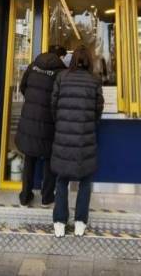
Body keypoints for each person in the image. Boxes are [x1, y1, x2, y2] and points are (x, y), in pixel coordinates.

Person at [50, 45, 104, 237]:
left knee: (61, 180)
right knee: (85, 180)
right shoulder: (94, 80)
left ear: (72, 60)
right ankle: (80, 222)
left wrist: (61, 123)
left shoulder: (61, 77)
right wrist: (89, 123)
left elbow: (53, 105)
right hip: (85, 137)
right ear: (89, 60)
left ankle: (59, 222)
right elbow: (98, 109)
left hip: (63, 137)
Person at [15, 45, 67, 206]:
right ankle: (47, 197)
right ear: (61, 56)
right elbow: (61, 97)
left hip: (30, 117)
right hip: (49, 121)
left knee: (29, 157)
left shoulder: (34, 65)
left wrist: (33, 100)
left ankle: (25, 196)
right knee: (49, 158)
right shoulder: (61, 72)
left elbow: (23, 86)